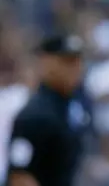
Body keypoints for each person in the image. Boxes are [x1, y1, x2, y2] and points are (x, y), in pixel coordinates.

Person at [6, 34, 89, 186]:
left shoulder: (73, 107)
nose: (76, 68)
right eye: (67, 62)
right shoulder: (34, 116)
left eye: (78, 61)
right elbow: (20, 177)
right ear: (46, 63)